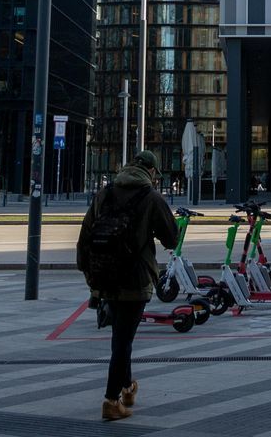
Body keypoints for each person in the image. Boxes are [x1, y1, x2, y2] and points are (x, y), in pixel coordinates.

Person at [79, 150, 179, 422]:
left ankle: (127, 388)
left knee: (121, 337)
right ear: (152, 172)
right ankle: (111, 401)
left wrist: (88, 273)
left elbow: (85, 233)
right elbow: (172, 238)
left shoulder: (105, 193)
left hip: (105, 277)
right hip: (135, 279)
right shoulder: (151, 198)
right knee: (122, 340)